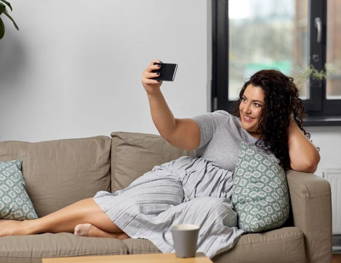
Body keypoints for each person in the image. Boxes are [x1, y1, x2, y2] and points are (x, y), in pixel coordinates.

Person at [0, 60, 320, 247]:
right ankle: (31, 227)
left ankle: (118, 238)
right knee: (128, 204)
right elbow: (172, 130)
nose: (246, 109)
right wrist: (153, 93)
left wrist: (287, 117)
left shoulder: (278, 143)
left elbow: (306, 163)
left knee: (208, 214)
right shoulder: (222, 122)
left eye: (258, 104)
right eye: (245, 99)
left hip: (207, 201)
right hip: (180, 181)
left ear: (274, 109)